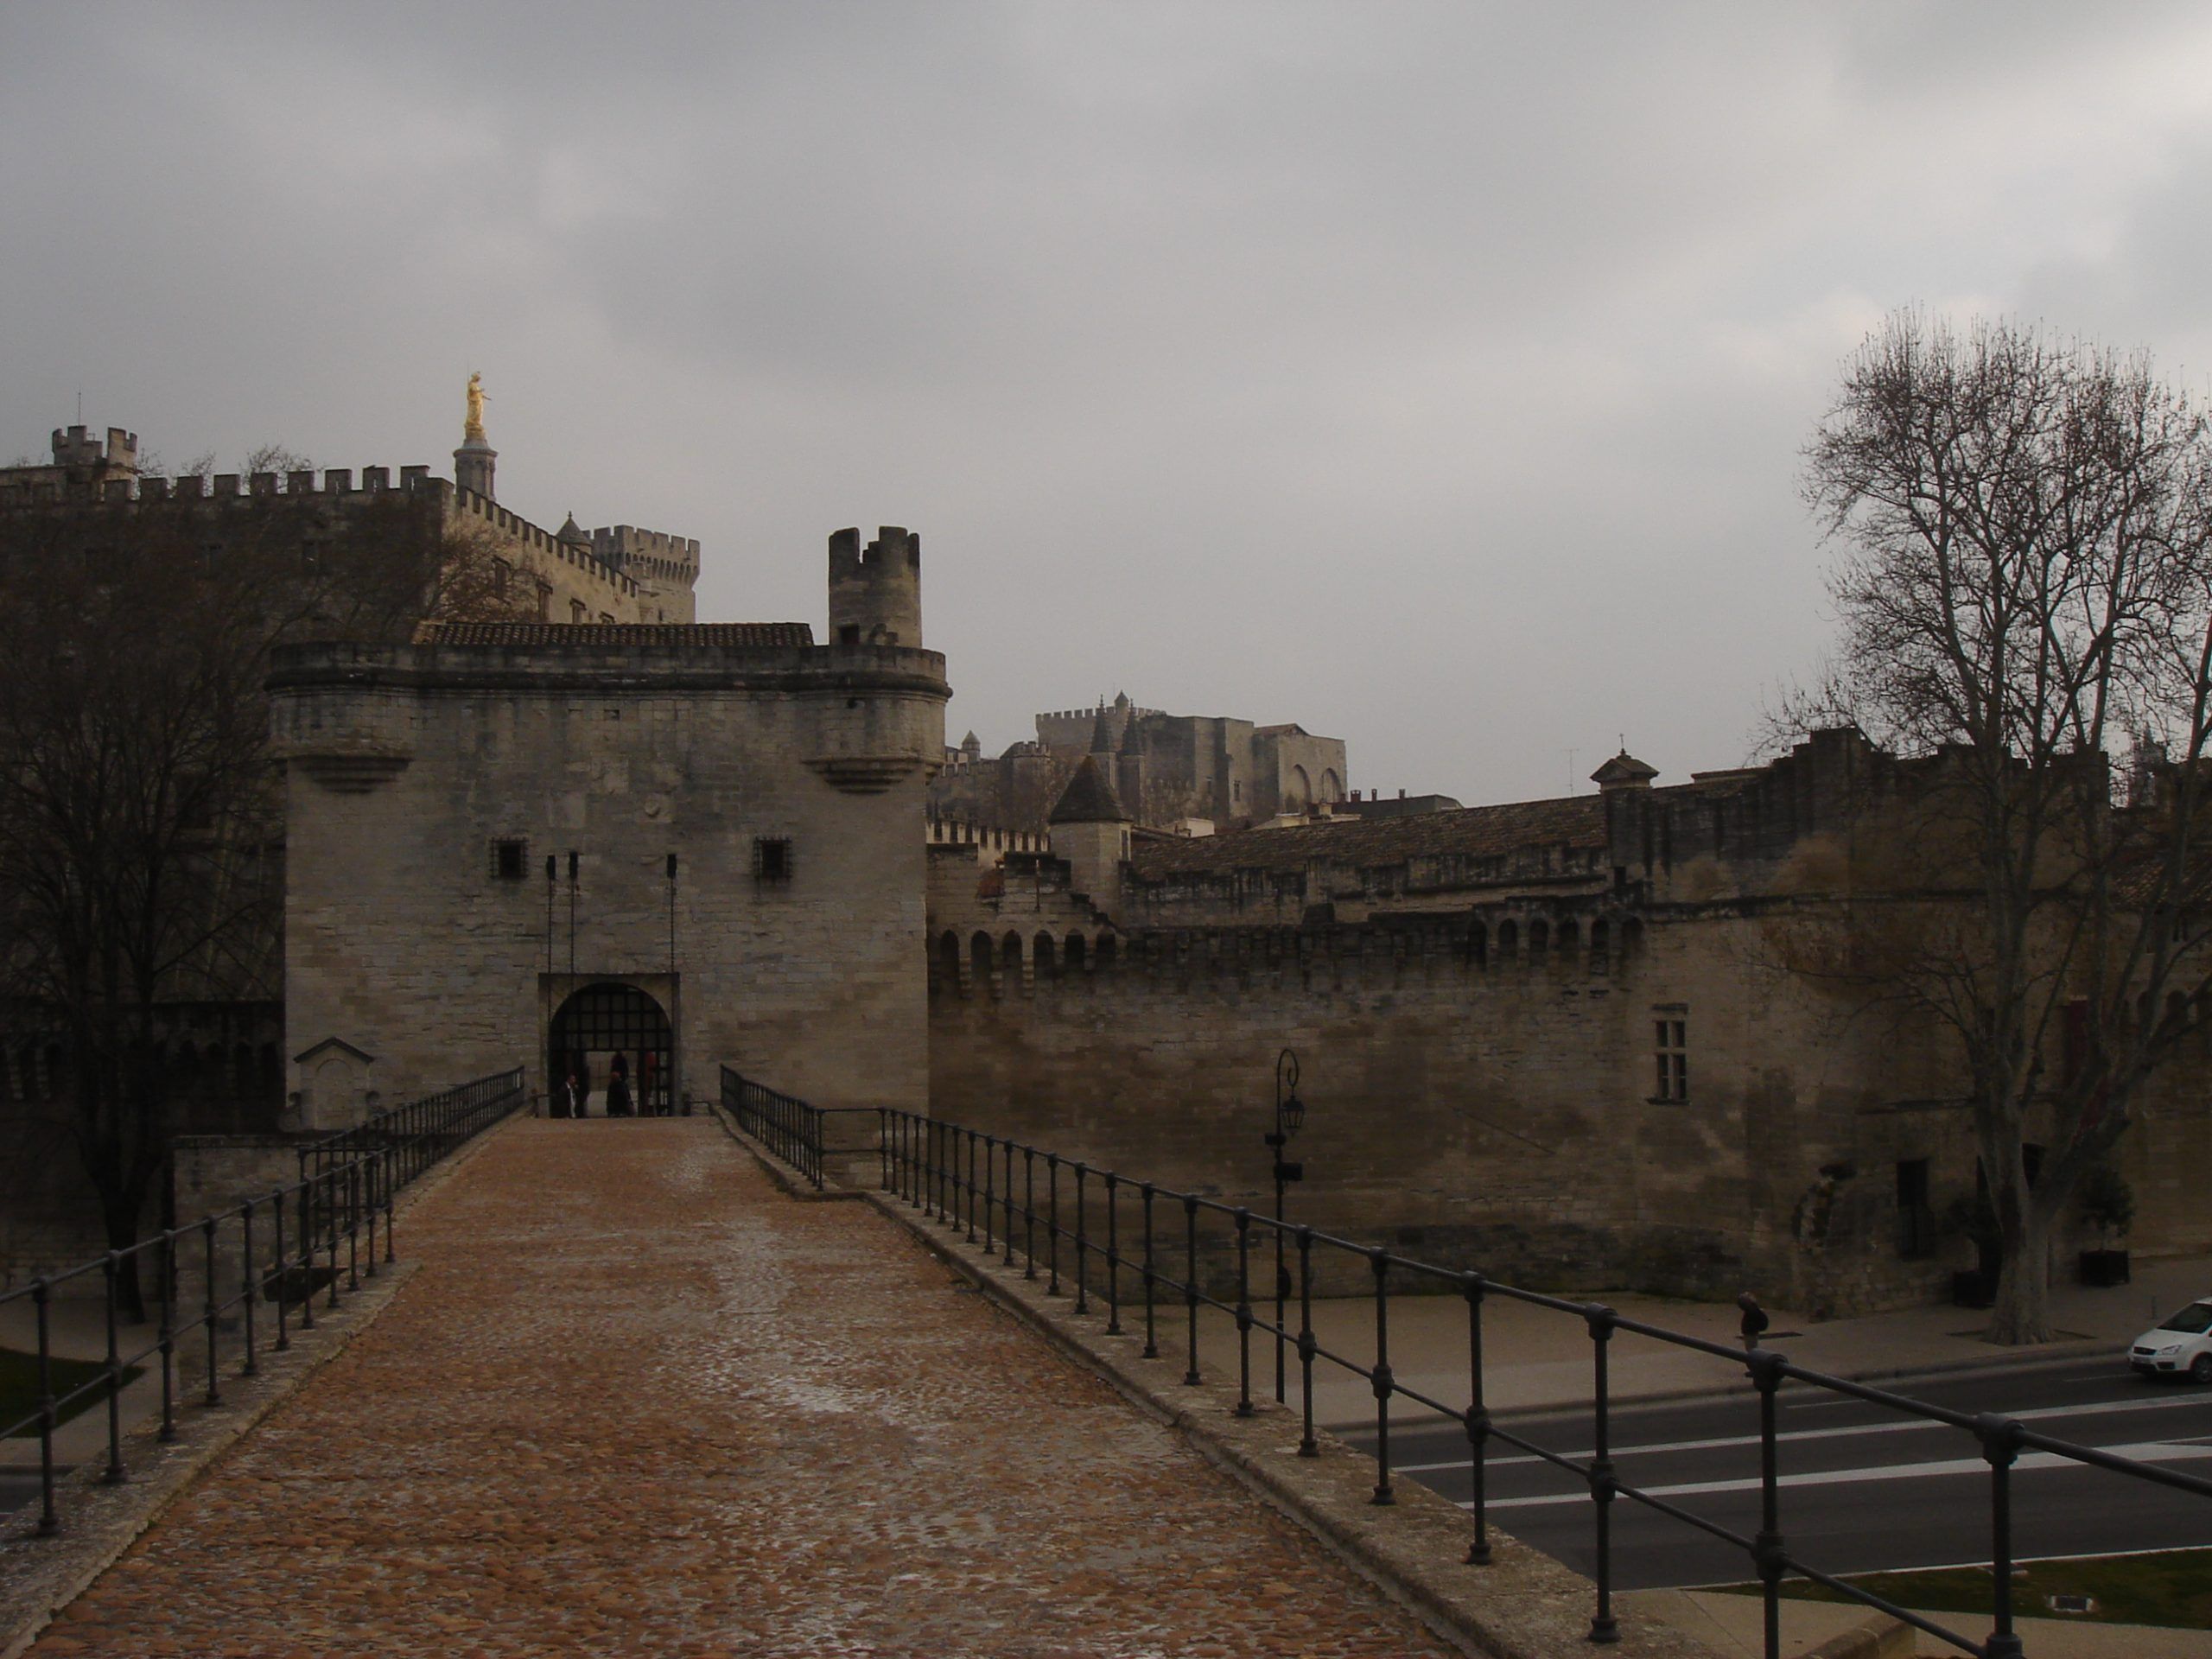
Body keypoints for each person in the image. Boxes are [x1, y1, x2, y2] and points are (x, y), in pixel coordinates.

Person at [606, 1051, 632, 1118]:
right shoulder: (621, 1060)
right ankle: (621, 1111)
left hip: (620, 1080)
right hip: (621, 1080)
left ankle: (617, 1111)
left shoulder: (615, 1060)